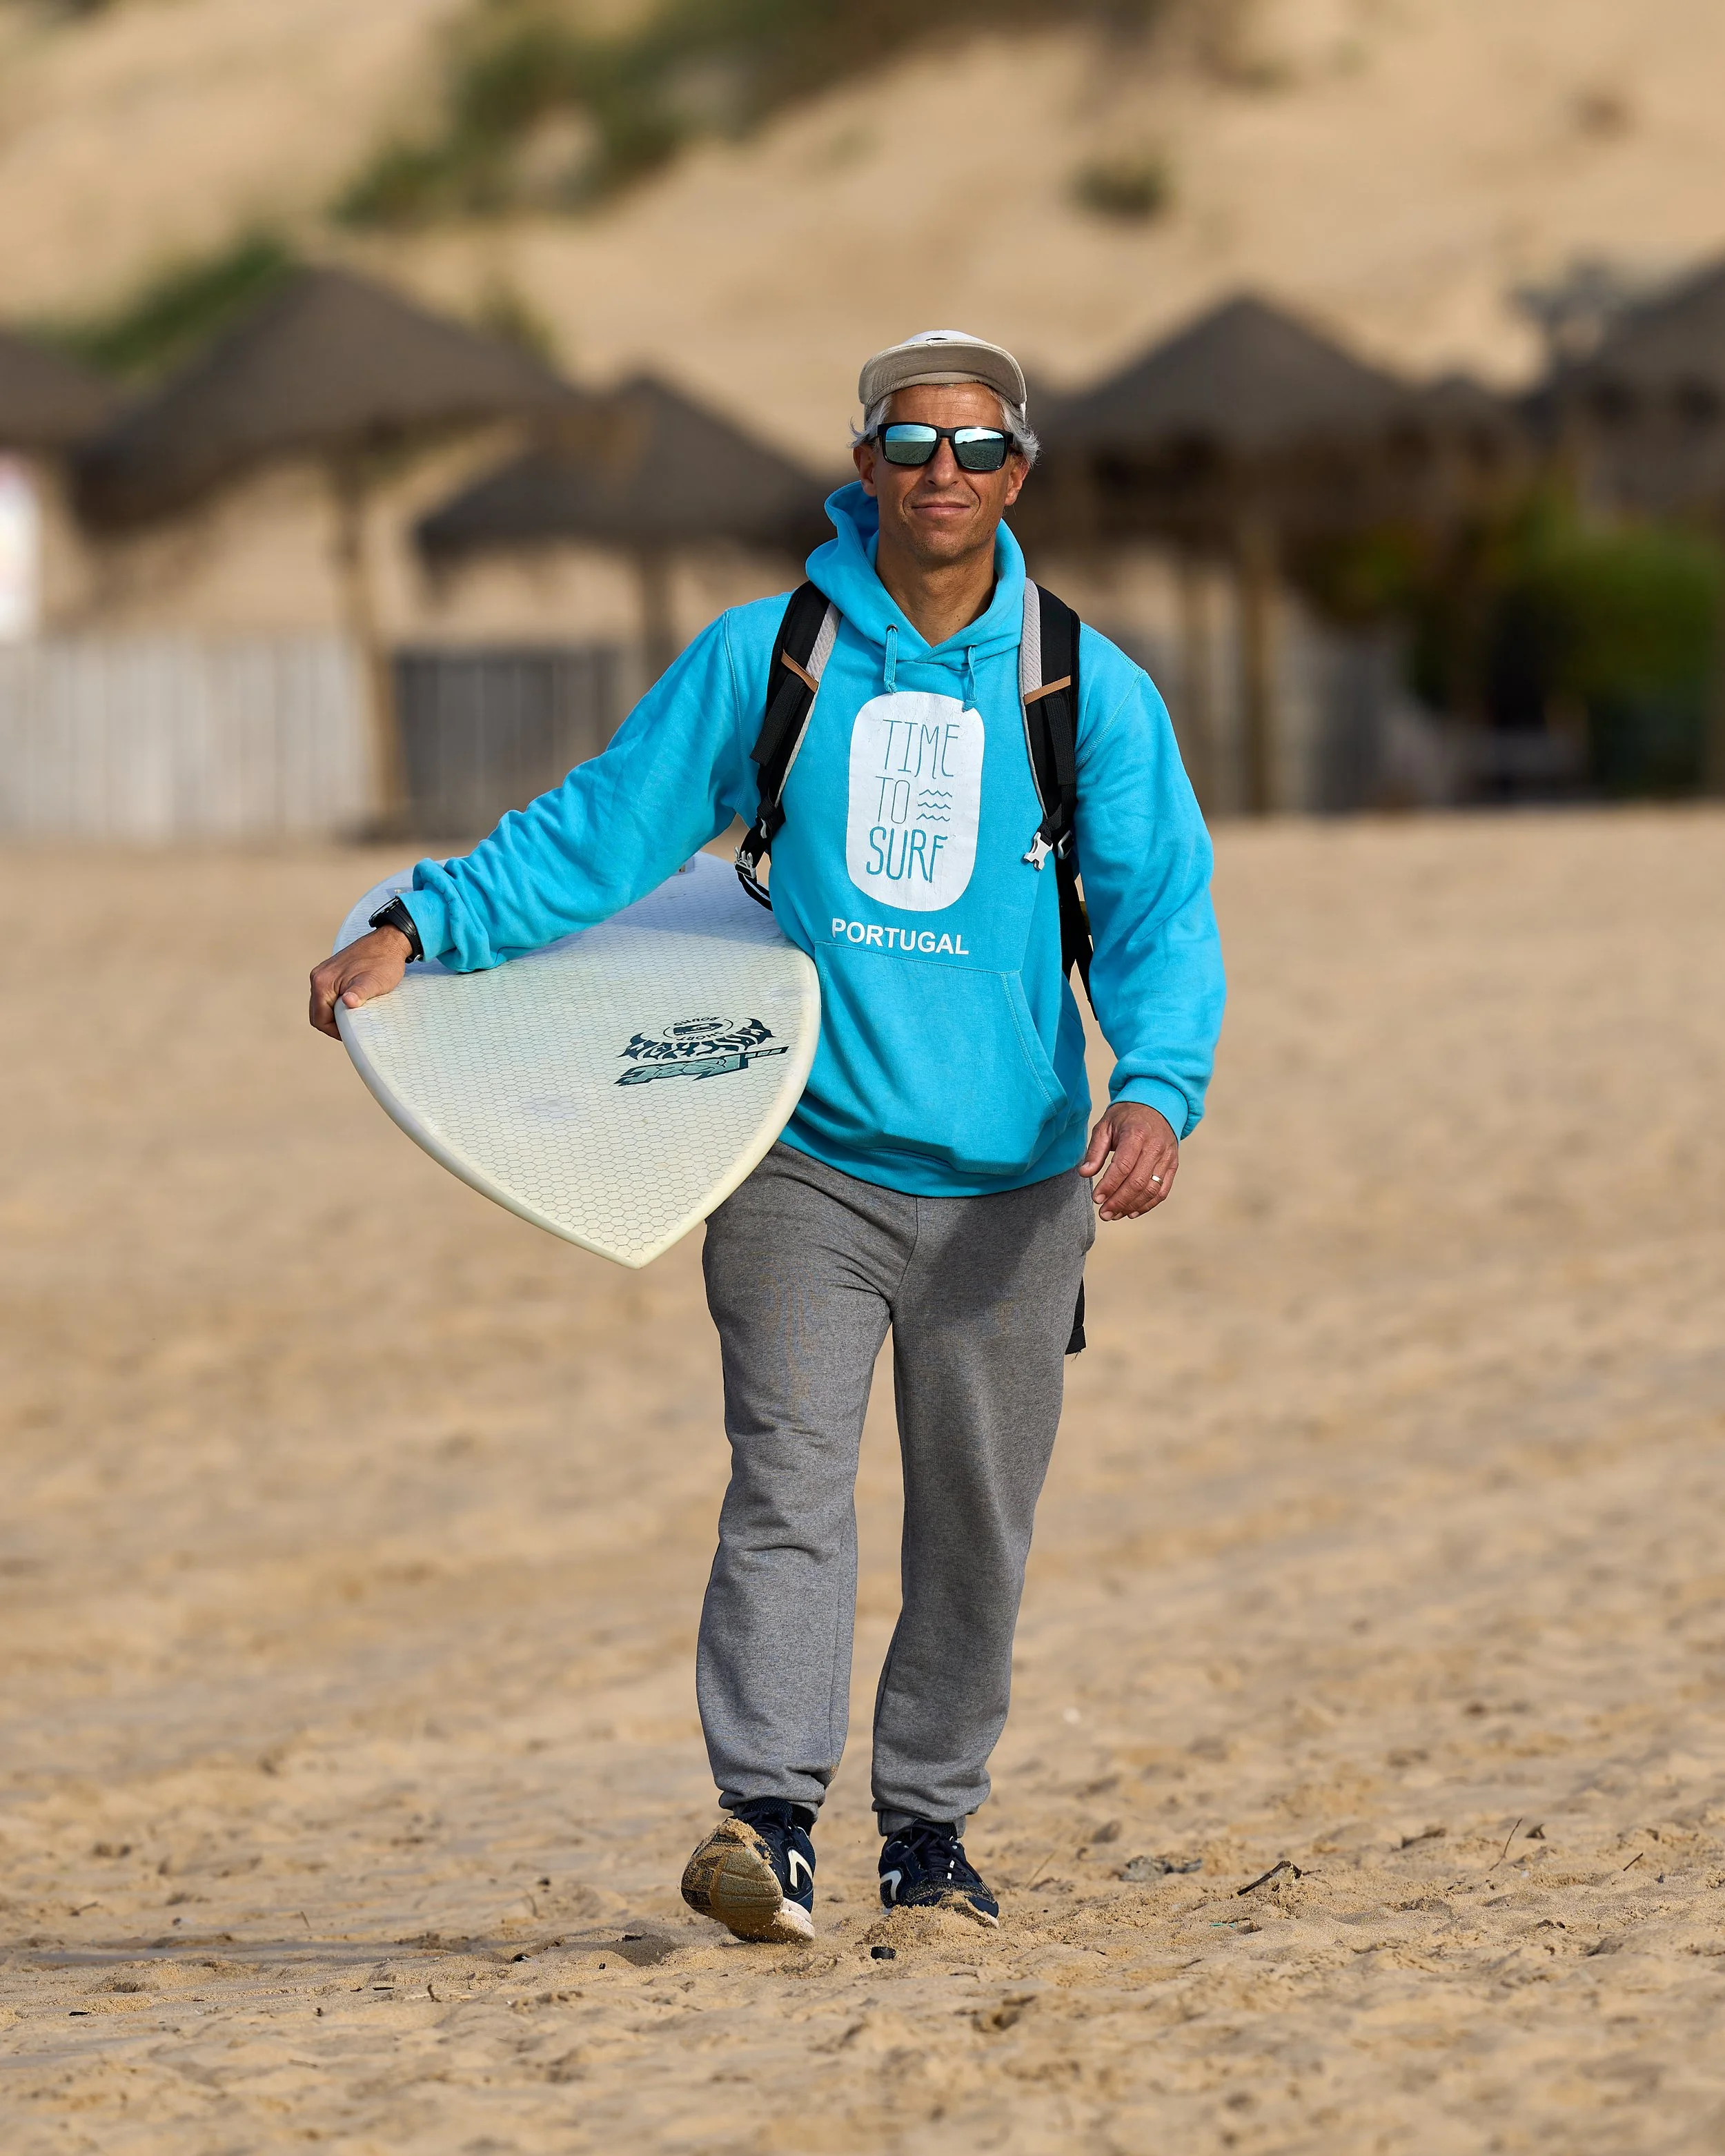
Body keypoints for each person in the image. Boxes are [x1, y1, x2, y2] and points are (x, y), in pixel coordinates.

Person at [310, 330, 1225, 1941]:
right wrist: (424, 918)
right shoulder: (771, 655)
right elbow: (608, 825)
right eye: (908, 440)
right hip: (795, 1155)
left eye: (973, 444)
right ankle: (770, 1817)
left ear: (1018, 472)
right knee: (787, 1486)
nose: (940, 470)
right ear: (863, 462)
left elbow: (1160, 914)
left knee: (972, 1518)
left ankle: (928, 1827)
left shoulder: (1083, 683)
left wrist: (1155, 1085)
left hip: (1015, 1183)